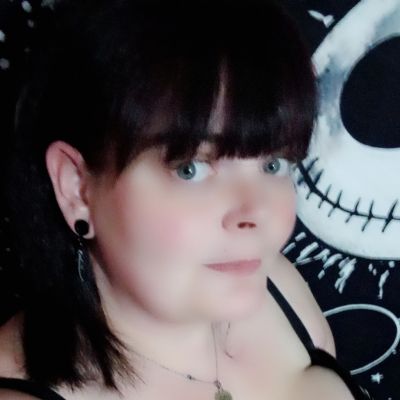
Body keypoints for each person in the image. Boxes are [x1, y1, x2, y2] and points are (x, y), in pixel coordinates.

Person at [0, 0, 372, 399]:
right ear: (77, 187)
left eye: (274, 164)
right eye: (191, 169)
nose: (257, 213)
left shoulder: (277, 287)